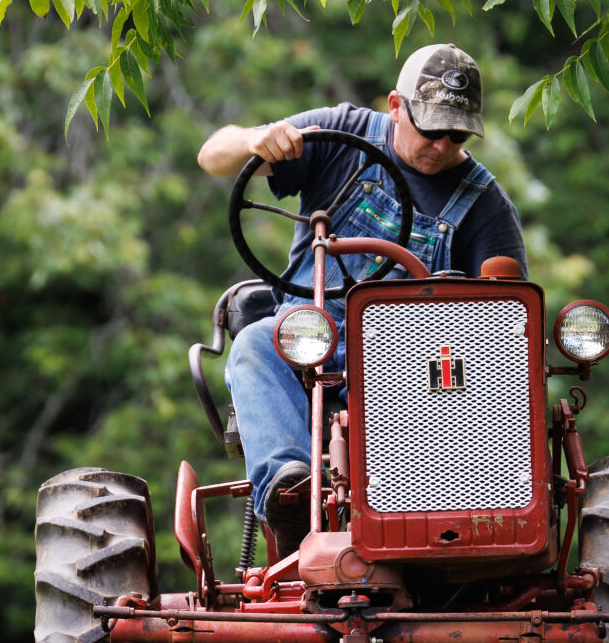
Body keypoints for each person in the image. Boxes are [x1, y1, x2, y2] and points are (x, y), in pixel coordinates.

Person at [196, 44, 528, 548]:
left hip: (416, 370)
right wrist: (255, 139)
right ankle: (292, 493)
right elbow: (212, 156)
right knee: (257, 344)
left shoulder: (484, 204)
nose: (442, 146)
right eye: (431, 129)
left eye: (456, 135)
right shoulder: (340, 135)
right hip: (310, 345)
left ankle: (450, 526)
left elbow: (505, 322)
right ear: (396, 107)